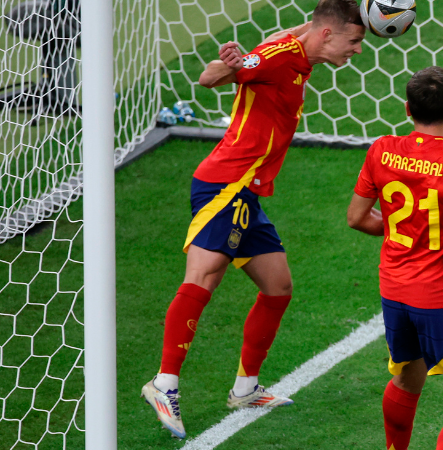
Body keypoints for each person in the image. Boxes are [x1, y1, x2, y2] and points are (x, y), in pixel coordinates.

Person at [139, 0, 365, 439]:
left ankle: (245, 389)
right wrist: (232, 65)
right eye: (353, 41)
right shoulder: (280, 57)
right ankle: (164, 384)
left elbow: (313, 27)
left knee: (278, 287)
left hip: (248, 191)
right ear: (327, 34)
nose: (357, 50)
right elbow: (209, 78)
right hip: (226, 183)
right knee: (203, 278)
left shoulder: (303, 50)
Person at [346, 66, 443, 450]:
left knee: (407, 379)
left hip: (394, 292)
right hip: (440, 299)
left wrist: (404, 225)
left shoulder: (382, 149)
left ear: (408, 109)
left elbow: (357, 217)